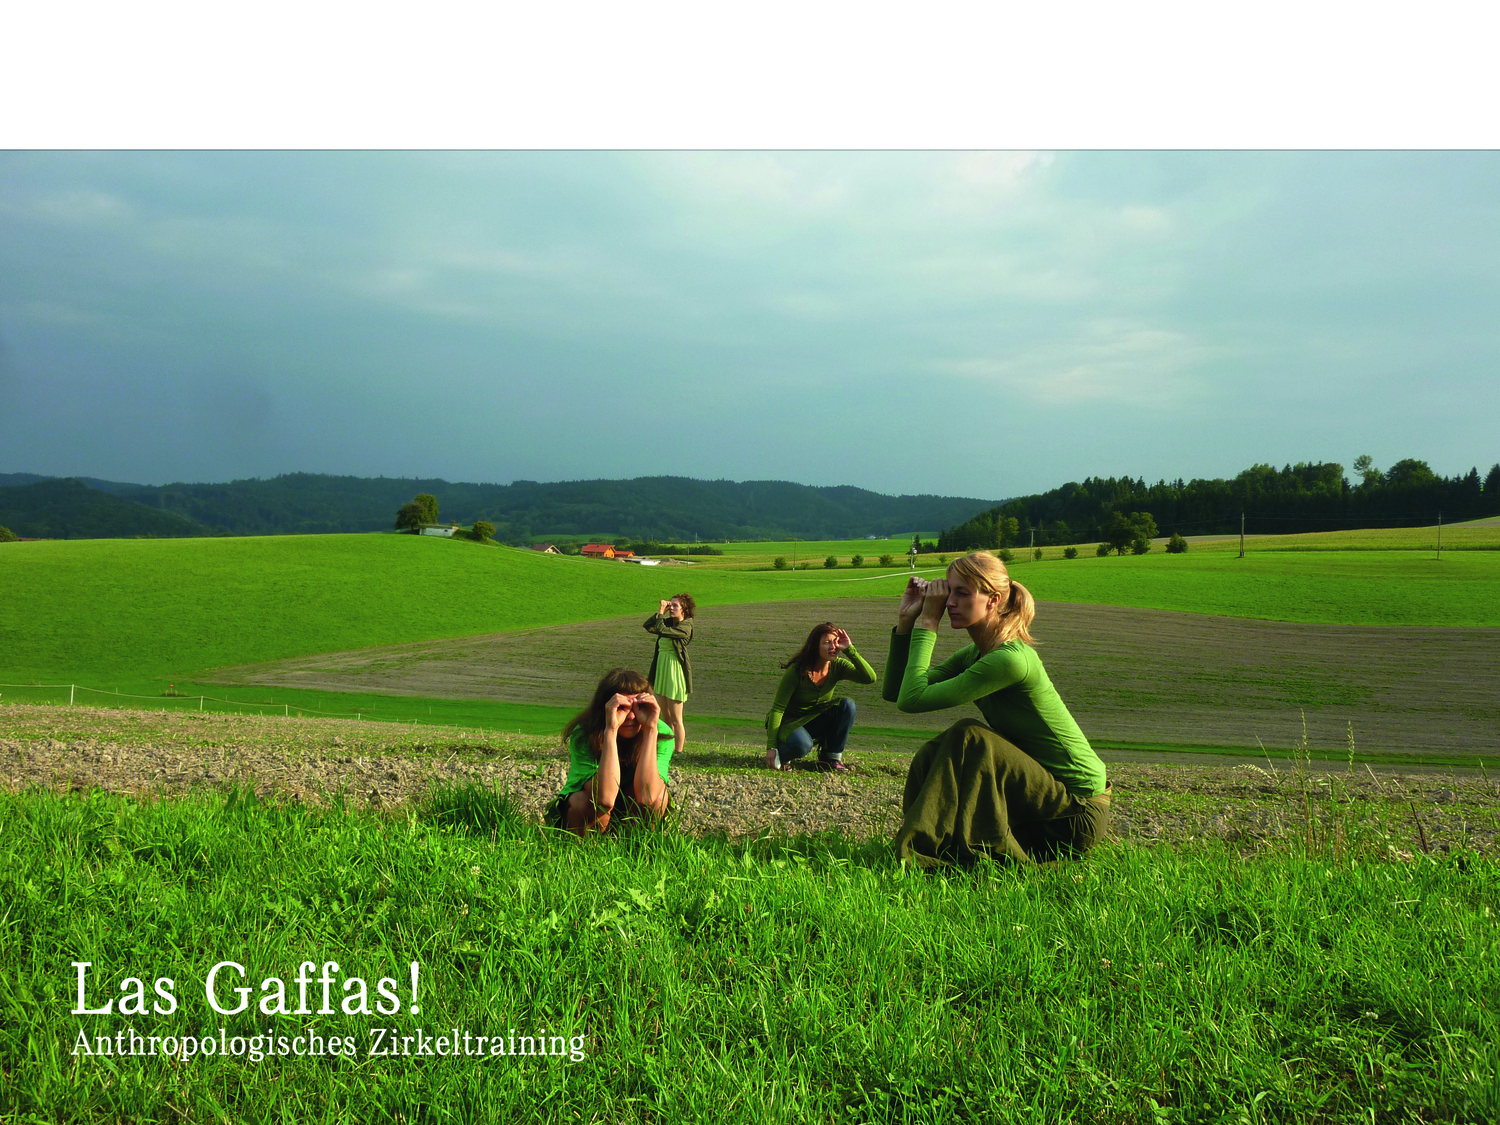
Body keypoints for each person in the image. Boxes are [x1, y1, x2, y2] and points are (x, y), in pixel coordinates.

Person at [883, 550, 1110, 867]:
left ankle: (924, 850)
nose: (950, 602)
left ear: (994, 600)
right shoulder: (976, 655)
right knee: (934, 752)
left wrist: (930, 621)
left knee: (970, 737)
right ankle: (924, 839)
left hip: (1075, 813)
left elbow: (912, 699)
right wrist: (907, 622)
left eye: (962, 593)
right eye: (949, 591)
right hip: (1040, 804)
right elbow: (898, 693)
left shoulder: (1009, 659)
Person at [547, 668, 673, 835]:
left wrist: (650, 729)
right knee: (580, 802)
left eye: (639, 707)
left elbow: (647, 797)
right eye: (622, 707)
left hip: (631, 806)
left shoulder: (661, 734)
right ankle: (579, 849)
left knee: (659, 798)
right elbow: (604, 799)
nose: (631, 717)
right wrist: (611, 730)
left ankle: (636, 847)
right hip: (594, 809)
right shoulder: (585, 734)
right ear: (605, 708)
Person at [764, 623, 876, 772]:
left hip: (813, 719)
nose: (833, 647)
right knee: (802, 744)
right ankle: (780, 755)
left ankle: (830, 758)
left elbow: (870, 678)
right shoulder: (797, 671)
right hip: (789, 724)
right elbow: (777, 709)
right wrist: (771, 746)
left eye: (835, 642)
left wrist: (849, 649)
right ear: (814, 646)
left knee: (847, 705)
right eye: (826, 642)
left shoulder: (838, 666)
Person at [644, 593, 695, 755]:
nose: (671, 608)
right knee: (665, 716)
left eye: (675, 606)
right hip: (663, 671)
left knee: (676, 717)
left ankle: (679, 751)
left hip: (674, 672)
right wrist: (661, 613)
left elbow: (660, 629)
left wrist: (661, 610)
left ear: (684, 610)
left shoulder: (685, 627)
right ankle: (667, 749)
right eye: (670, 605)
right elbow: (649, 626)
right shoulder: (668, 623)